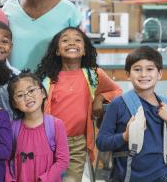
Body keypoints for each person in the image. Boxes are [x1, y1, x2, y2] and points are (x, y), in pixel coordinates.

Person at [36, 27, 122, 181]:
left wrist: (100, 98)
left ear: (84, 50)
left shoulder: (93, 75)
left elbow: (117, 91)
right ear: (57, 51)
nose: (71, 42)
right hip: (50, 142)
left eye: (77, 39)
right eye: (65, 40)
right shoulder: (48, 79)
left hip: (77, 143)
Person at [96, 46, 167, 182]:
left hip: (161, 176)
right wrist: (125, 137)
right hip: (127, 177)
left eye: (150, 69)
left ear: (160, 74)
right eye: (137, 69)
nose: (143, 74)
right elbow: (101, 142)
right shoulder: (119, 104)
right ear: (128, 74)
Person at [5, 71, 69, 181]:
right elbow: (5, 160)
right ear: (14, 103)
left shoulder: (56, 125)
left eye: (31, 90)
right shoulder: (12, 128)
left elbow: (63, 160)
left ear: (43, 93)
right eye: (20, 95)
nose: (27, 97)